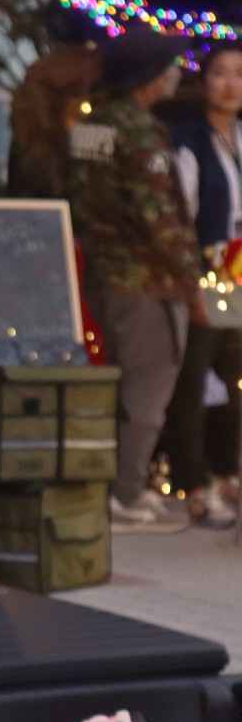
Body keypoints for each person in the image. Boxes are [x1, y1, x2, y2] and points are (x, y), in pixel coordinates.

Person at [66, 26, 205, 533]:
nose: (176, 73)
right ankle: (124, 494)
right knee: (146, 392)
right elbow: (160, 218)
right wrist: (192, 281)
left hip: (102, 274)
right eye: (170, 65)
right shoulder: (143, 133)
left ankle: (116, 486)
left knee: (115, 387)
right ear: (150, 75)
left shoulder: (88, 127)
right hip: (147, 283)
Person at [167, 44, 242, 527]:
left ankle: (225, 472)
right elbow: (180, 216)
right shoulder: (188, 139)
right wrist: (192, 283)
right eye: (220, 73)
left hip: (238, 271)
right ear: (203, 81)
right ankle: (192, 484)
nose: (231, 84)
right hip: (202, 269)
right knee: (194, 380)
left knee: (234, 379)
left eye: (240, 74)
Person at [8, 8, 102, 199]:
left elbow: (22, 126)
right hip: (85, 178)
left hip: (37, 170)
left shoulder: (38, 71)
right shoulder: (98, 70)